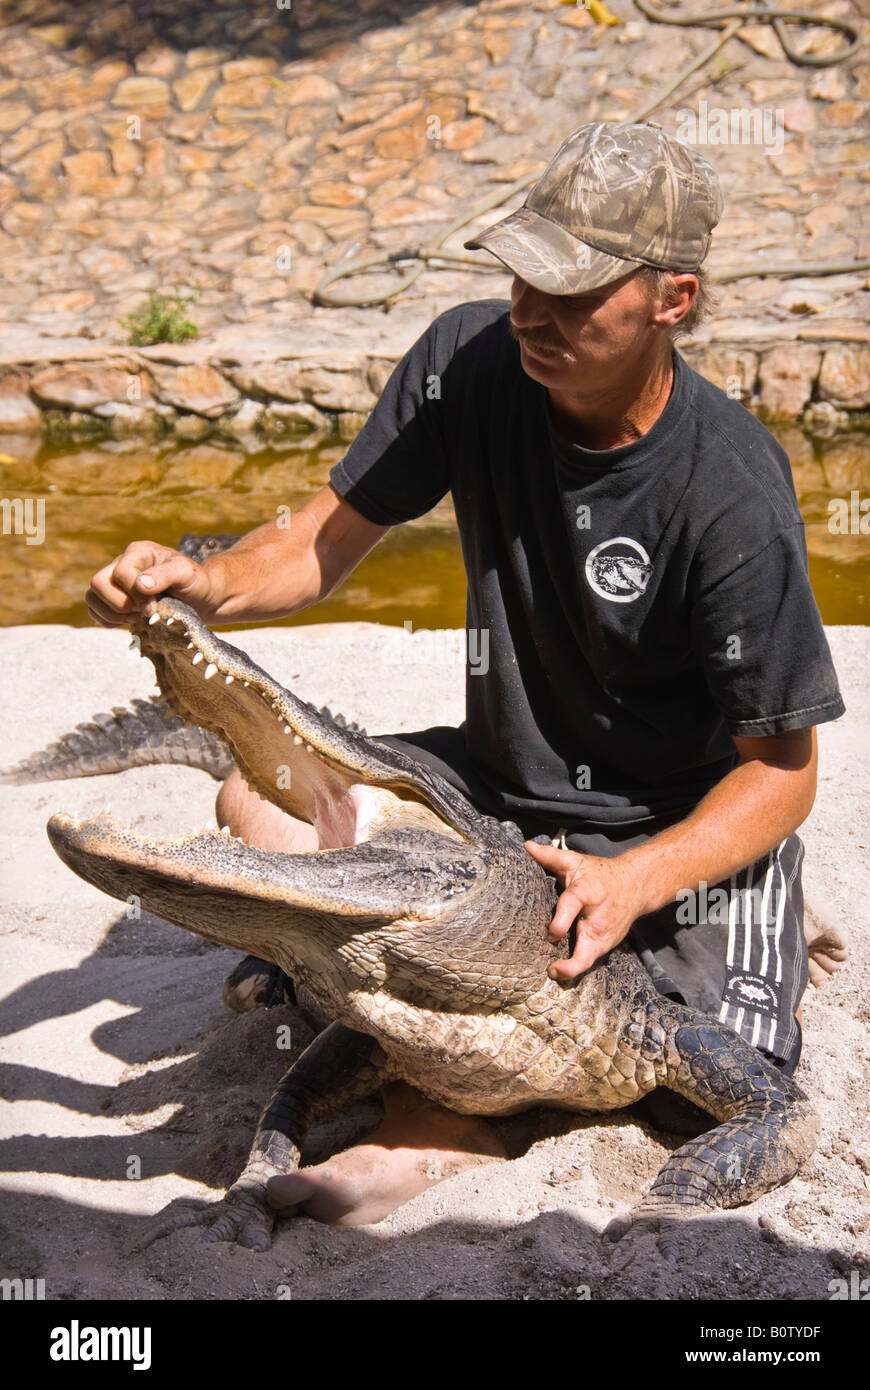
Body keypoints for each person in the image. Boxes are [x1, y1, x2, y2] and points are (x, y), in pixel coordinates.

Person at [88, 122, 845, 1226]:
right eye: (521, 276)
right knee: (254, 798)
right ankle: (444, 1108)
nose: (530, 314)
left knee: (695, 1074)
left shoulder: (731, 488)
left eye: (573, 294)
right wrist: (198, 580)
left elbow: (782, 772)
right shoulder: (469, 359)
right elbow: (320, 542)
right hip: (490, 801)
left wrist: (635, 878)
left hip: (656, 831)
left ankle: (452, 1124)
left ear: (672, 299)